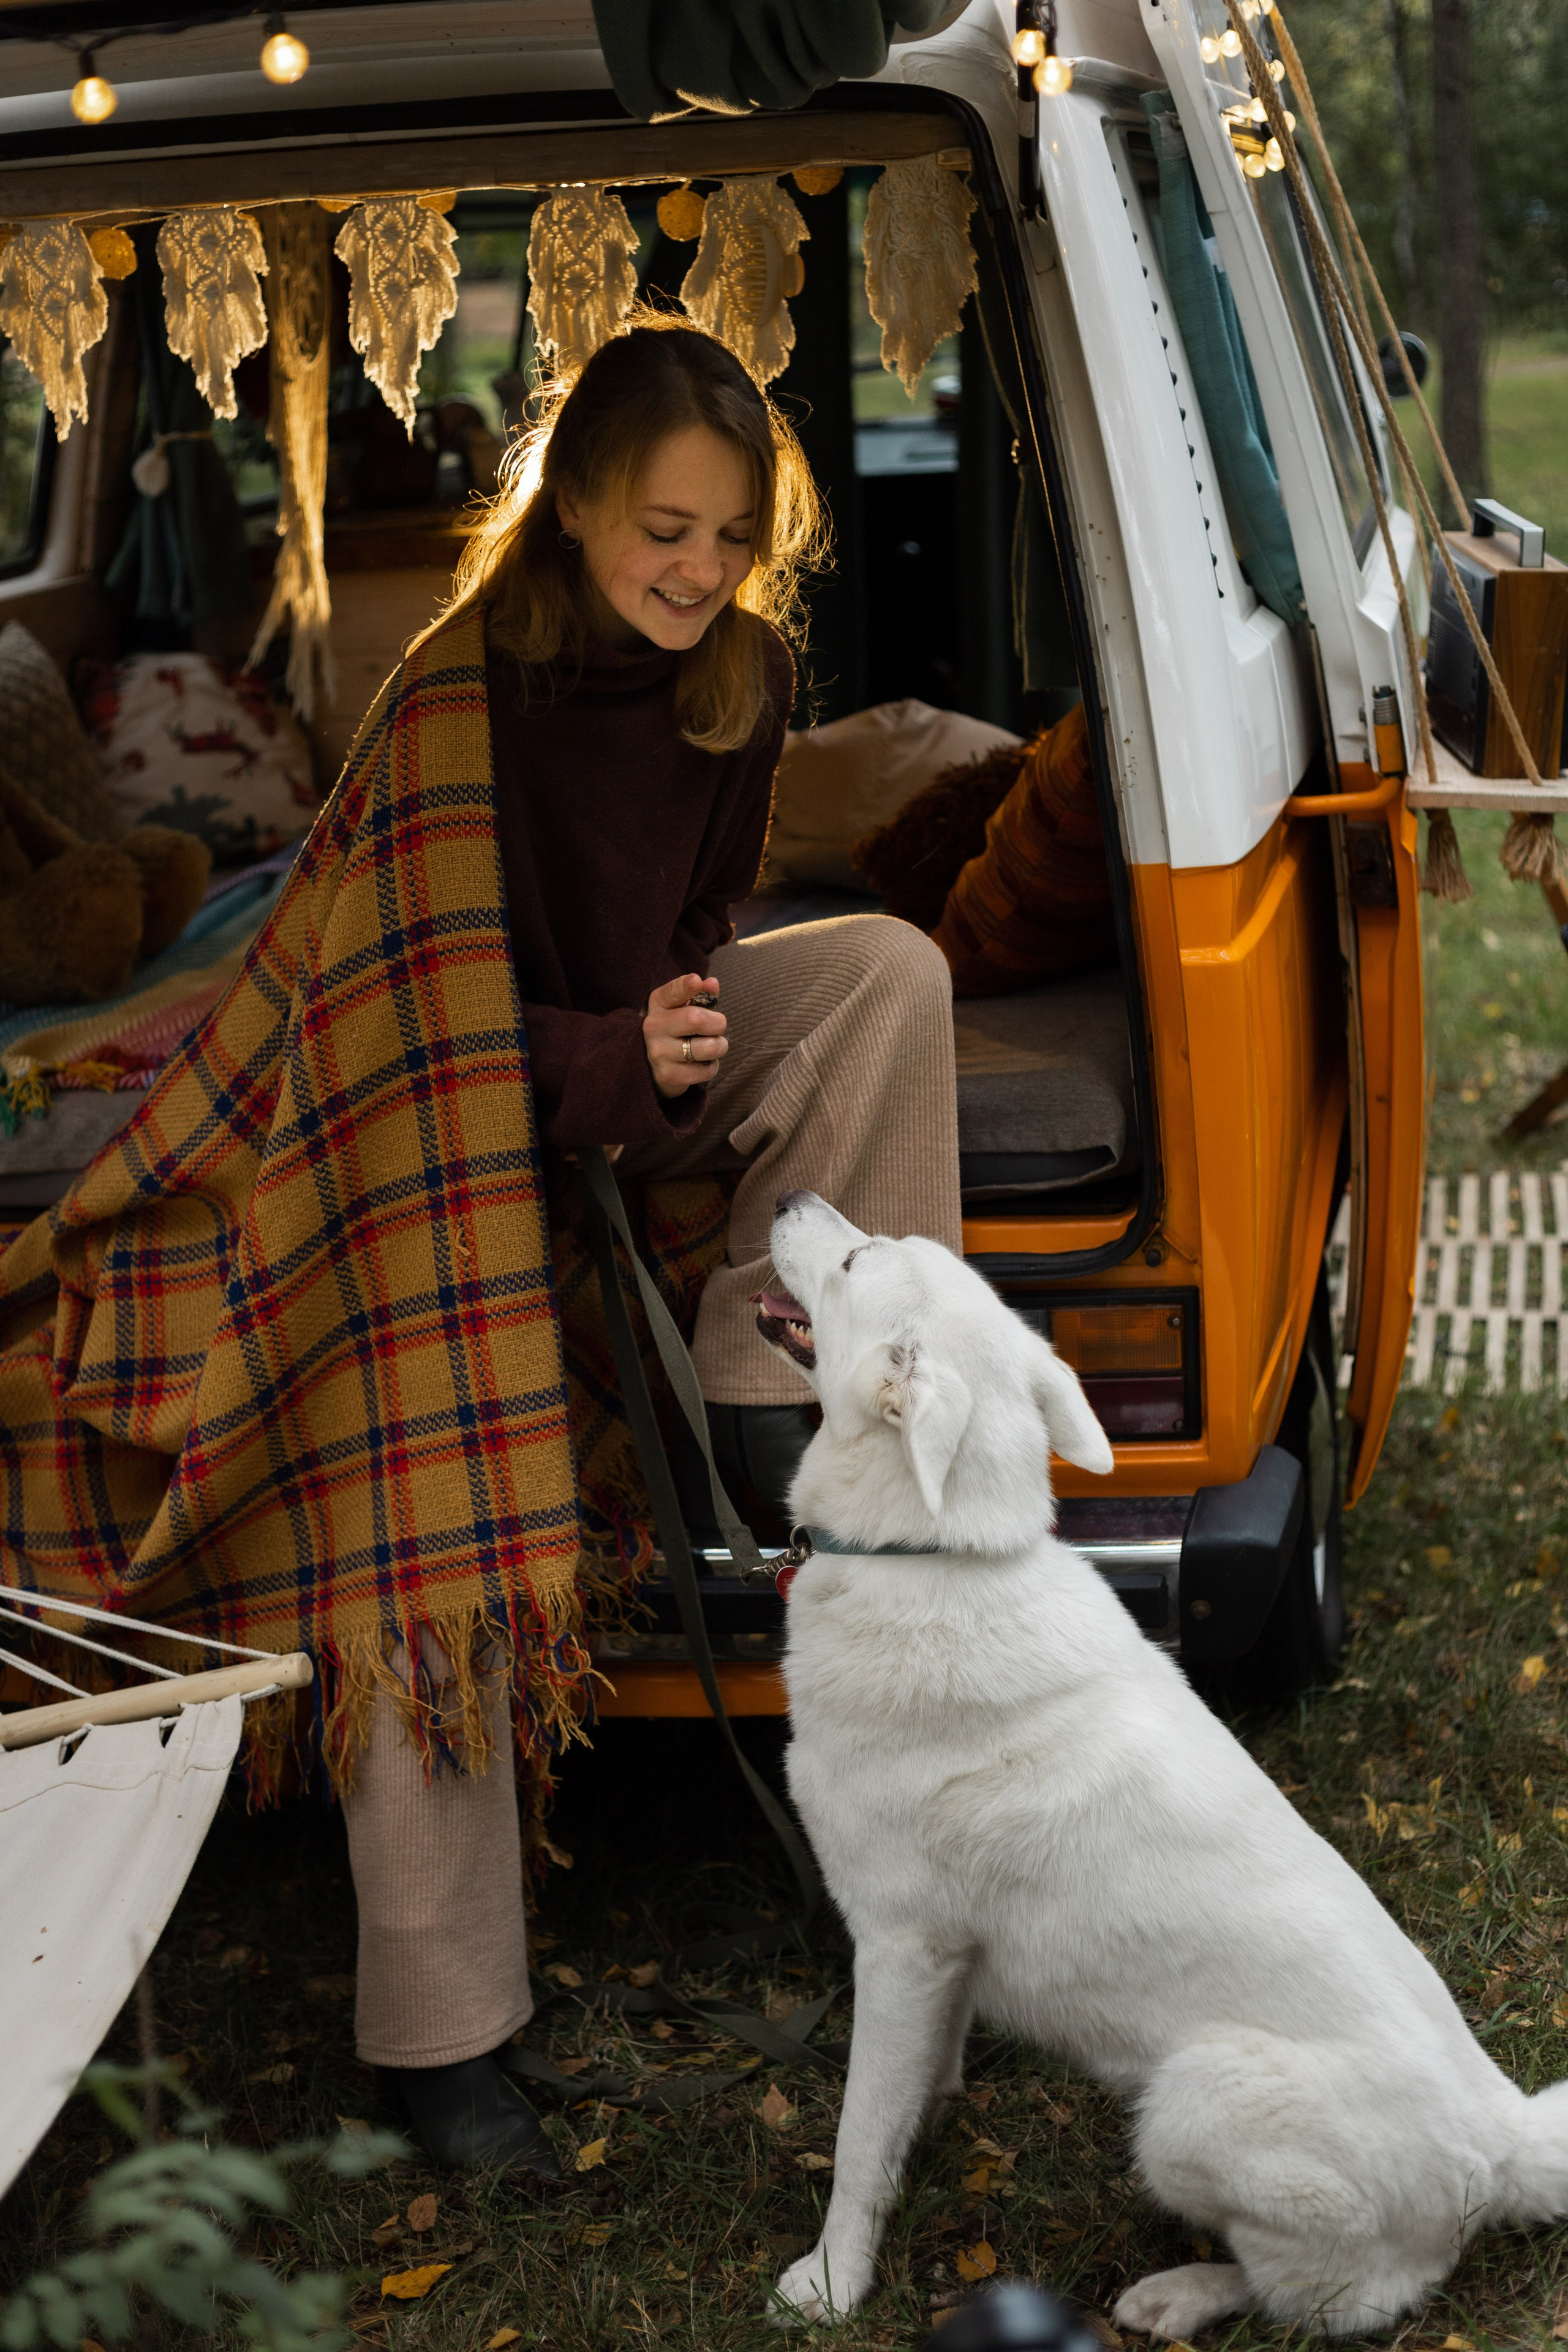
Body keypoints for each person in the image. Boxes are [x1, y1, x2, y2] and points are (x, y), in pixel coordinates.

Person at [335, 315, 965, 2171]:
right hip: (420, 1129)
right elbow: (404, 1024)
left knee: (882, 976)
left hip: (598, 1067)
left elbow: (697, 914)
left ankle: (802, 1381)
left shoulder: (741, 676)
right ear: (579, 507)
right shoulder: (458, 694)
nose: (695, 569)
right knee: (429, 1500)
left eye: (727, 536)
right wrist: (611, 1054)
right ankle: (441, 2042)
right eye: (660, 530)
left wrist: (673, 1028)